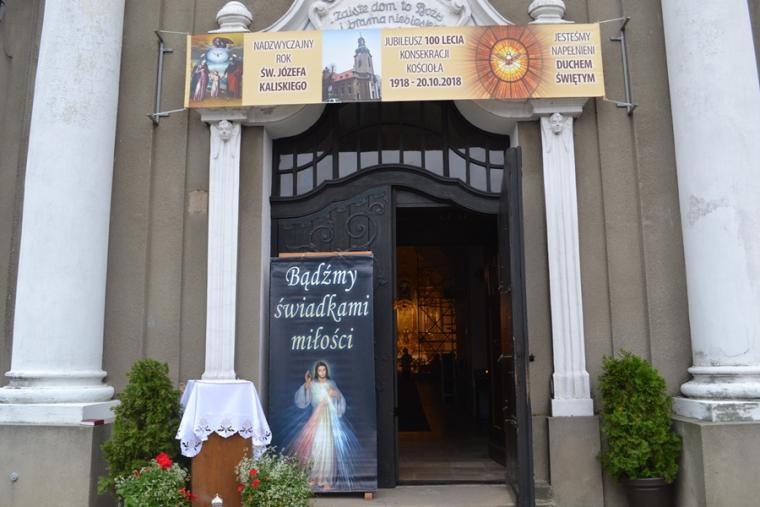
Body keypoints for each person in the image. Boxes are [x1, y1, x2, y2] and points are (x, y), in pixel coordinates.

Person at [289, 361, 356, 490]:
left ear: (326, 371)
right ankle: (313, 477)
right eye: (319, 370)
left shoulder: (331, 384)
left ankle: (326, 480)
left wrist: (335, 395)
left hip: (327, 419)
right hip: (316, 418)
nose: (322, 372)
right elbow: (303, 399)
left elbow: (339, 398)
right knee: (316, 446)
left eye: (324, 370)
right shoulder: (313, 384)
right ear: (316, 372)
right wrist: (307, 384)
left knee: (327, 447)